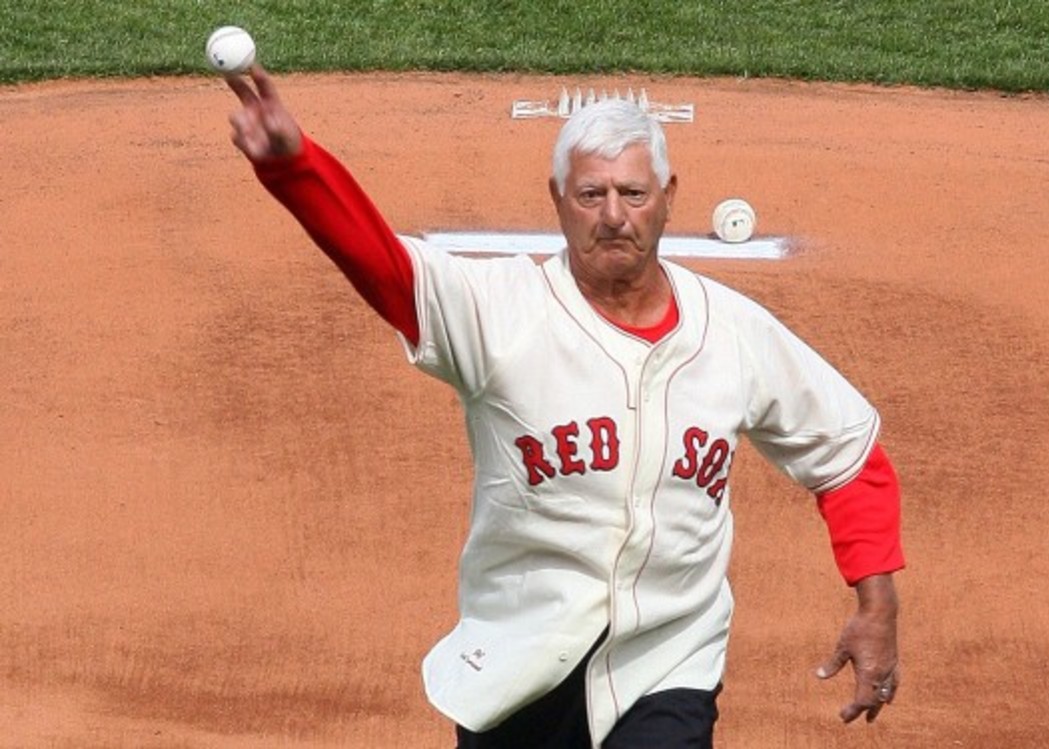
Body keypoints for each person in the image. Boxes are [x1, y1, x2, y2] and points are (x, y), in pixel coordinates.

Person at [224, 65, 905, 748]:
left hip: (665, 660)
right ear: (557, 198)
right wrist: (296, 170)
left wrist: (877, 604)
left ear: (668, 197)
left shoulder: (733, 333)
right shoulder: (501, 311)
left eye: (633, 193)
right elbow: (387, 269)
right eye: (592, 193)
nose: (614, 215)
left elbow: (848, 454)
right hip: (519, 655)